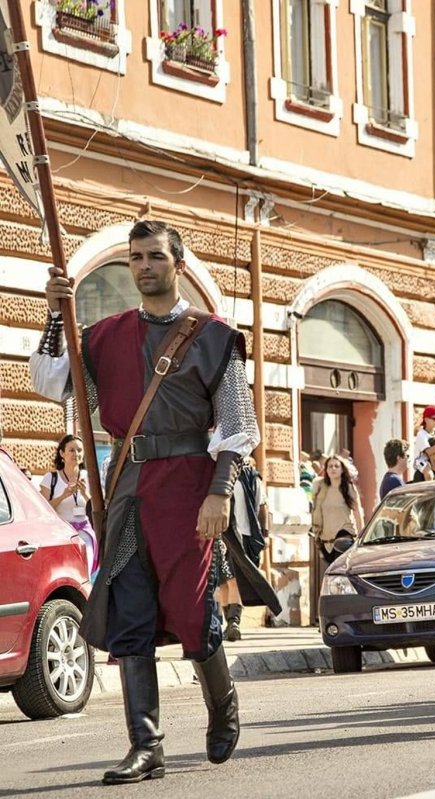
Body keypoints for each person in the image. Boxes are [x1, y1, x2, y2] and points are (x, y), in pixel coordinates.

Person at [30, 220, 276, 784]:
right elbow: (50, 382)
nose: (143, 265)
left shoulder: (213, 335)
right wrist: (53, 314)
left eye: (155, 256)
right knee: (131, 612)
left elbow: (238, 428)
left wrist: (219, 492)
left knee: (194, 612)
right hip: (128, 489)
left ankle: (224, 705)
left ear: (178, 265)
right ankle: (147, 746)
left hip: (191, 490)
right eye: (136, 257)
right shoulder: (104, 334)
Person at [218, 457, 268, 642]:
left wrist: (265, 534)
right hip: (222, 535)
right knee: (222, 581)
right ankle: (228, 622)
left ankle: (234, 621)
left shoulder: (253, 479)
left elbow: (263, 507)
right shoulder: (221, 479)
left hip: (243, 536)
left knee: (234, 580)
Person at [40, 434, 98, 577]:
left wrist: (85, 494)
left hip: (85, 533)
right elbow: (43, 508)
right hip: (60, 535)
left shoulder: (90, 477)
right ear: (62, 453)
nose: (76, 454)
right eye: (71, 450)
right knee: (65, 573)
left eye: (79, 450)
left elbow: (98, 506)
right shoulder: (51, 478)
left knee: (86, 571)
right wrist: (63, 496)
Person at [310, 455, 365, 564]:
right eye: (330, 466)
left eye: (336, 466)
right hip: (325, 539)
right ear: (326, 470)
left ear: (342, 470)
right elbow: (316, 512)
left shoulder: (348, 488)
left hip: (344, 535)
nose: (333, 469)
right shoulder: (321, 489)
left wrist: (361, 537)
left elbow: (357, 512)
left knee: (340, 568)